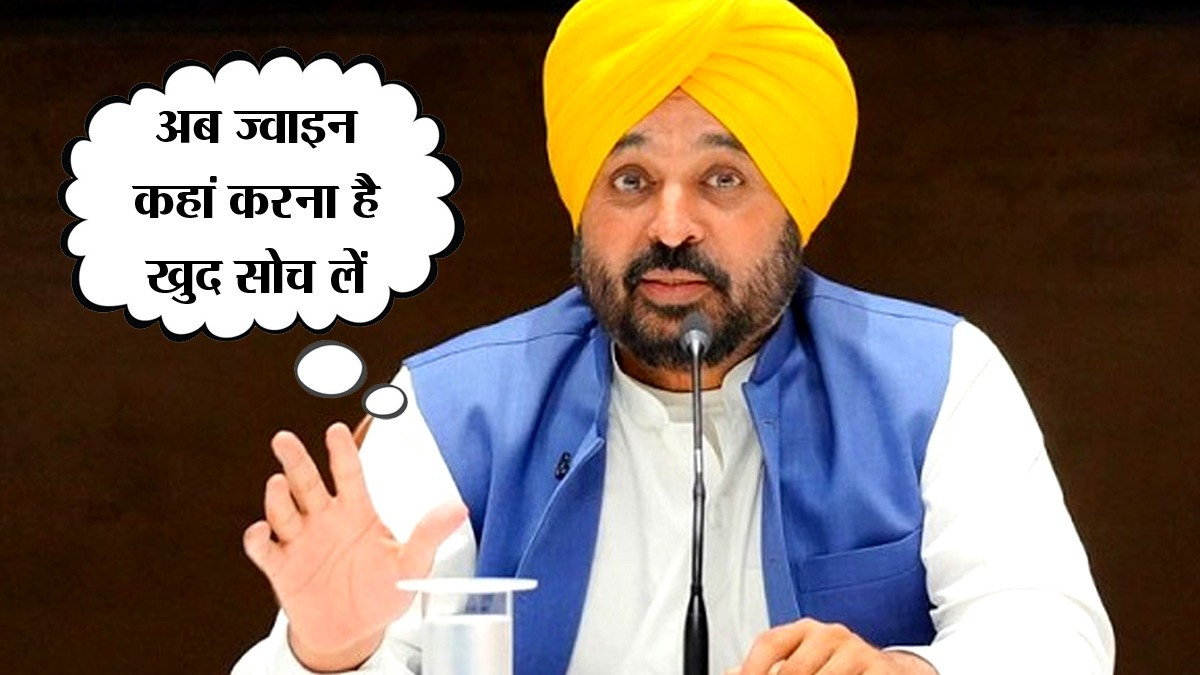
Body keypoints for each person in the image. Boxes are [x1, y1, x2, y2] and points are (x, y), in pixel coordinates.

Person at [233, 1, 1115, 673]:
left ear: (793, 207)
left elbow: (1053, 632)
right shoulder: (449, 408)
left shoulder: (936, 376)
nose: (670, 225)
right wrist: (331, 652)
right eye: (630, 179)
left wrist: (904, 671)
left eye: (722, 178)